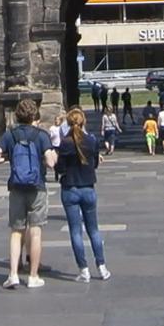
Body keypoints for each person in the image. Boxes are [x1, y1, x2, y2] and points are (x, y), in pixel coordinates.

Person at [0, 97, 58, 289]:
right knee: (35, 232)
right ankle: (33, 276)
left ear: (18, 116)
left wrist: (7, 158)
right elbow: (51, 163)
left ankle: (13, 274)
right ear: (34, 115)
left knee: (16, 232)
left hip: (17, 187)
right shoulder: (41, 135)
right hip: (37, 187)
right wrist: (51, 155)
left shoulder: (10, 135)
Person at [56, 108, 111, 282]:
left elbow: (60, 168)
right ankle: (102, 267)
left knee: (75, 231)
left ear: (69, 123)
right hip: (88, 188)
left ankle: (84, 270)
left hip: (70, 189)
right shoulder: (92, 141)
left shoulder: (65, 143)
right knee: (93, 230)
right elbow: (94, 164)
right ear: (83, 122)